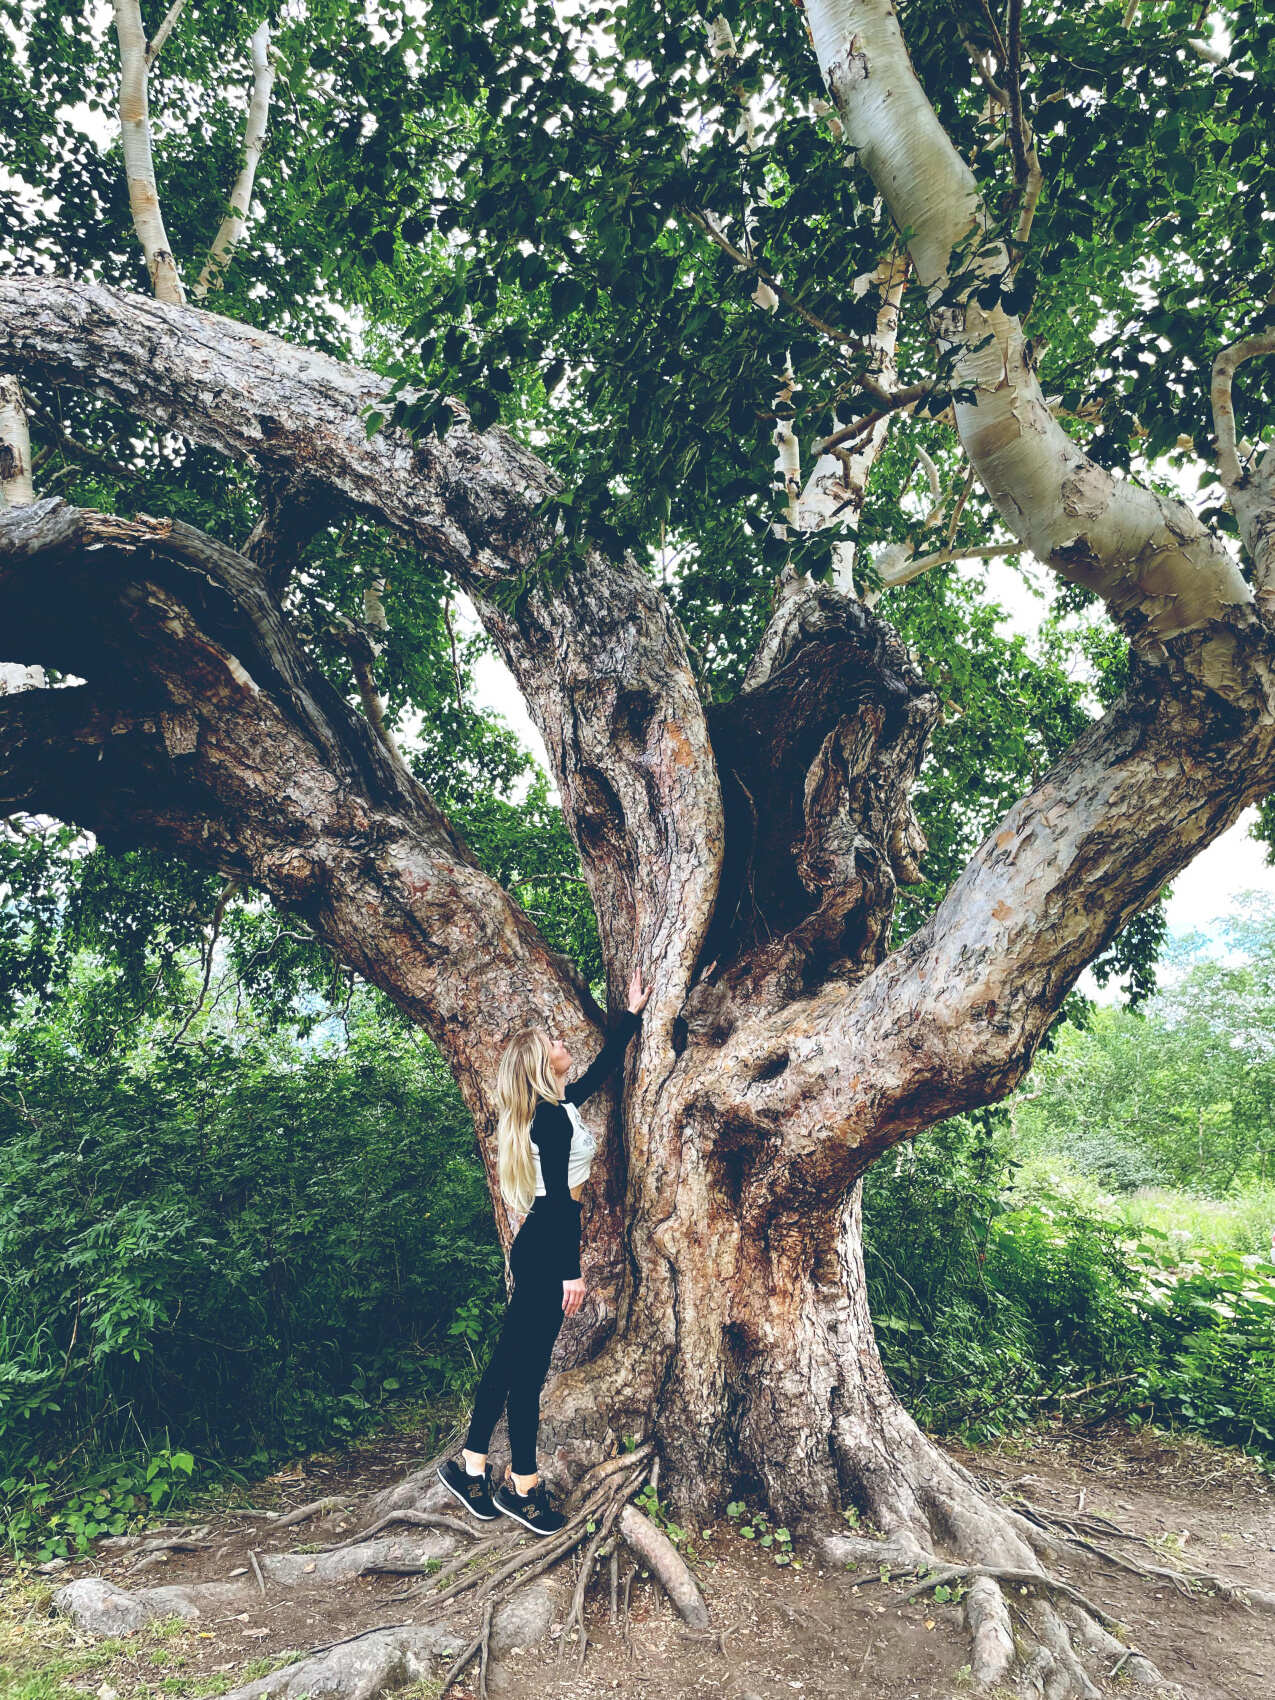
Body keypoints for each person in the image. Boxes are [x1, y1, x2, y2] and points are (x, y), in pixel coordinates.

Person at [436, 964, 651, 1535]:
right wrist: (572, 1273)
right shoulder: (550, 1122)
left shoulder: (554, 1107)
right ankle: (524, 1488)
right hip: (547, 1249)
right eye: (556, 1043)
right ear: (541, 1063)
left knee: (512, 1363)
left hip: (536, 1246)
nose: (564, 1045)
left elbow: (599, 1073)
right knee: (526, 1374)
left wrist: (630, 1015)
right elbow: (559, 1203)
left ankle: (472, 1466)